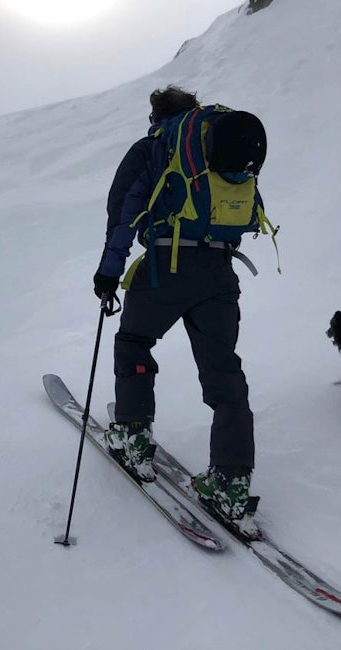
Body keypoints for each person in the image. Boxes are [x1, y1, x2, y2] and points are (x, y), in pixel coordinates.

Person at [93, 85, 257, 522]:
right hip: (220, 271)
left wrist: (109, 271)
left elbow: (125, 212)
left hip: (165, 267)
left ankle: (132, 437)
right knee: (224, 371)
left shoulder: (154, 147)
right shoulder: (216, 144)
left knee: (134, 342)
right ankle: (231, 482)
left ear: (156, 116)